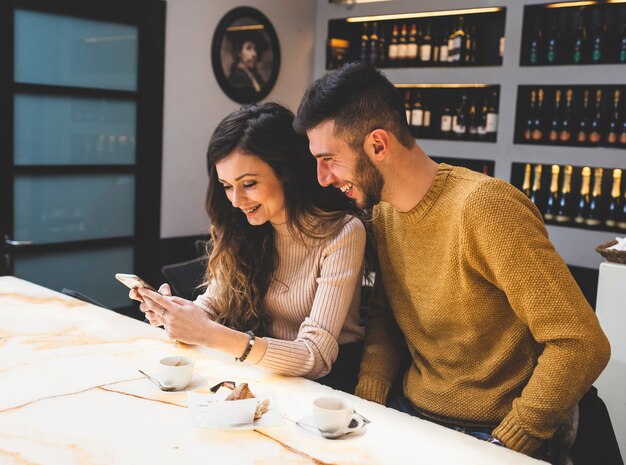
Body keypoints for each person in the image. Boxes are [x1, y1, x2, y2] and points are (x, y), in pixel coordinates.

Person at [293, 62, 611, 461]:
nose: (323, 178)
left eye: (329, 159)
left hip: (493, 433)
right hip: (413, 418)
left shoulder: (485, 208)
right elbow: (386, 316)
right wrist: (369, 402)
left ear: (378, 145)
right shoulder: (384, 213)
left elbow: (581, 341)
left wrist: (511, 441)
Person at [131, 103, 367, 393]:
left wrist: (207, 333)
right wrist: (176, 314)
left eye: (249, 183)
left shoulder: (342, 233)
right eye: (227, 186)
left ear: (287, 173)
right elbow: (214, 304)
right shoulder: (241, 227)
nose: (235, 200)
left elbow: (315, 357)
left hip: (326, 389)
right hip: (263, 374)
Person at [227, 30, 267, 101]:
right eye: (248, 48)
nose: (254, 54)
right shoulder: (234, 78)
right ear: (239, 52)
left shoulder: (255, 75)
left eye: (255, 49)